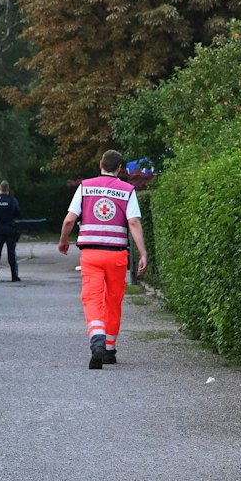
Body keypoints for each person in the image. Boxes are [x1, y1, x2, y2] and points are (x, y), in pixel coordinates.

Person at [57, 150, 148, 369]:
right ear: (120, 168)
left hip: (91, 255)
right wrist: (143, 252)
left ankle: (96, 338)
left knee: (92, 298)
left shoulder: (85, 187)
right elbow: (133, 222)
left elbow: (69, 220)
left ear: (100, 164)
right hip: (117, 256)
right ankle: (108, 350)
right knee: (113, 301)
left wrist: (63, 240)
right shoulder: (127, 190)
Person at [0, 180, 22, 282]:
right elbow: (17, 213)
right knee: (11, 253)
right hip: (10, 229)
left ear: (0, 188)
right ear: (8, 189)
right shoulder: (12, 200)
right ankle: (14, 275)